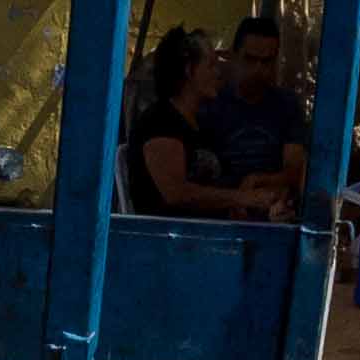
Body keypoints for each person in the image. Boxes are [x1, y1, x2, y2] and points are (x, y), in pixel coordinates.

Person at [125, 32, 278, 221]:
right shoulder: (160, 123)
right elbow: (176, 194)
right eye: (211, 65)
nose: (218, 72)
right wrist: (242, 198)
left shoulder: (199, 124)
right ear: (189, 70)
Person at [203, 14, 307, 201]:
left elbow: (294, 171)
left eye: (266, 61)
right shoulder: (212, 103)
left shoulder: (287, 105)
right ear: (233, 56)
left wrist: (258, 181)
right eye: (250, 60)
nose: (258, 69)